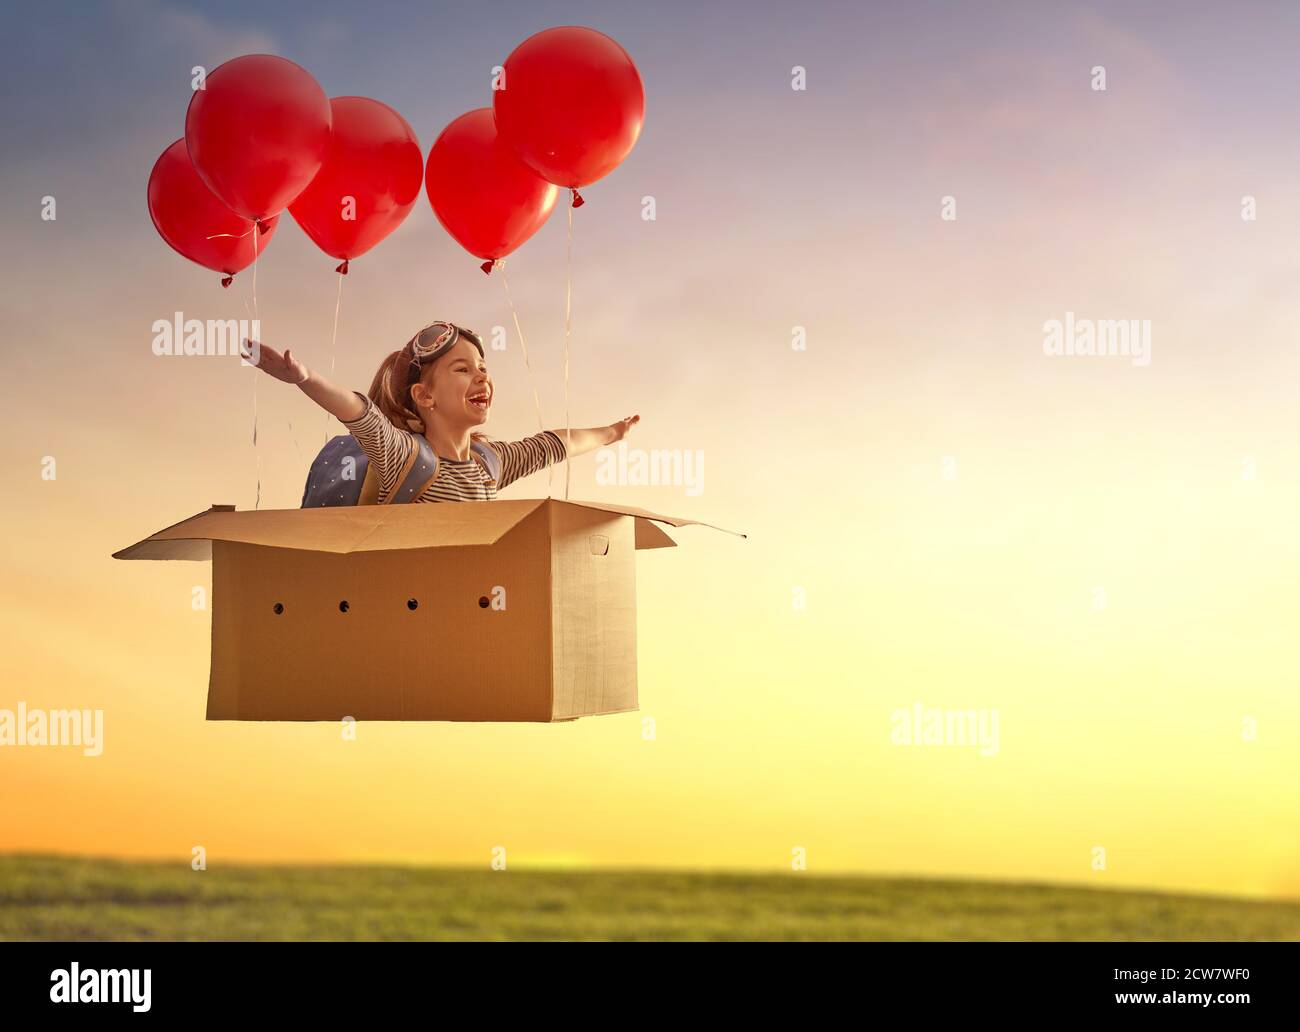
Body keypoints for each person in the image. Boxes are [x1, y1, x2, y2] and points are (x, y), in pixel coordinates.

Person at [249, 320, 639, 502]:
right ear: (425, 396)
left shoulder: (491, 463)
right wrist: (304, 378)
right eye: (463, 369)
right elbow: (359, 414)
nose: (481, 377)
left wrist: (613, 433)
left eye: (483, 368)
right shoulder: (405, 457)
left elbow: (554, 445)